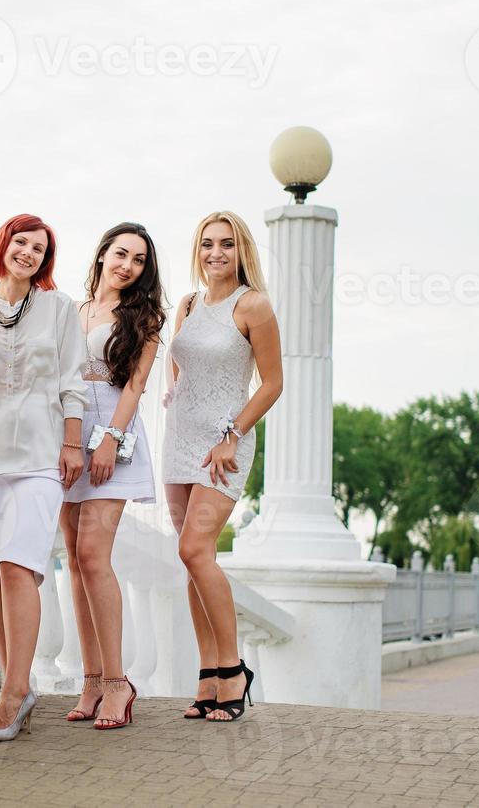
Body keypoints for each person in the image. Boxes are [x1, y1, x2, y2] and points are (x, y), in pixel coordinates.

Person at [0, 214, 86, 743]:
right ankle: (22, 686)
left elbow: (72, 380)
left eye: (39, 248)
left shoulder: (59, 309)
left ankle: (9, 700)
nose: (28, 253)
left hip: (39, 458)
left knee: (18, 564)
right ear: (3, 245)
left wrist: (73, 442)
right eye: (21, 242)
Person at [163, 211, 283, 721]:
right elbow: (181, 357)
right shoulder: (188, 304)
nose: (216, 253)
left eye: (227, 244)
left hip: (225, 444)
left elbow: (272, 383)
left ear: (241, 251)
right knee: (193, 560)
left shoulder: (252, 305)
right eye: (208, 243)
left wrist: (232, 434)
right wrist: (176, 387)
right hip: (179, 441)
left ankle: (233, 670)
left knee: (195, 549)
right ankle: (209, 675)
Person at [61, 223, 165, 730]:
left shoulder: (141, 318)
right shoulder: (69, 311)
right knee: (74, 563)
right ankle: (91, 679)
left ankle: (118, 683)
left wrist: (110, 439)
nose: (127, 264)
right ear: (102, 254)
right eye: (121, 253)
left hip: (112, 439)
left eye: (139, 259)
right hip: (67, 435)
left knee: (91, 556)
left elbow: (135, 386)